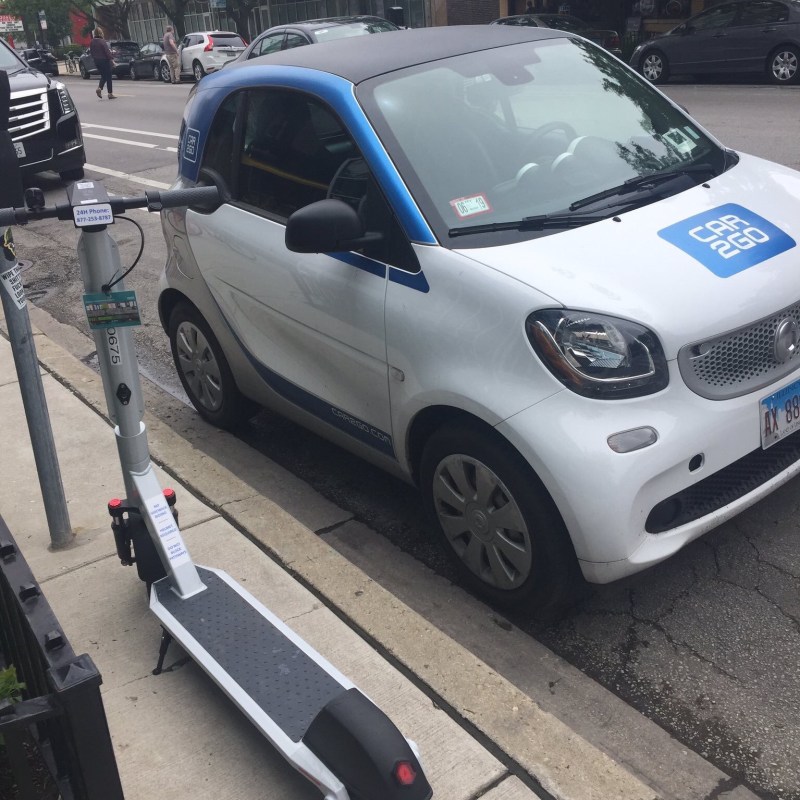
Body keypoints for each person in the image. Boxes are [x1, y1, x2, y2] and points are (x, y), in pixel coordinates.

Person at [89, 28, 115, 100]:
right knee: (108, 76)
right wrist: (112, 60)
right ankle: (110, 93)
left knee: (104, 75)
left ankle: (100, 88)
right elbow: (107, 52)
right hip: (104, 60)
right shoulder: (102, 41)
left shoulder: (92, 42)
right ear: (101, 33)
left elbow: (91, 52)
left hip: (96, 61)